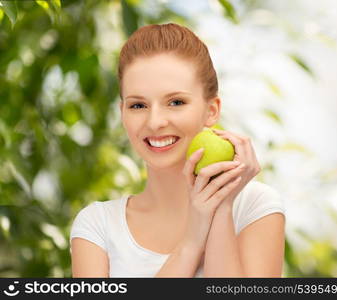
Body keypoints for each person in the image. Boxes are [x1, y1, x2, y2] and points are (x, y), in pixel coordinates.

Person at [70, 23, 286, 278]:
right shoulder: (98, 226)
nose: (154, 122)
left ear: (211, 110)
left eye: (175, 102)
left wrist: (221, 208)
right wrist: (192, 240)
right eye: (138, 105)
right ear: (122, 113)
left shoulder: (255, 207)